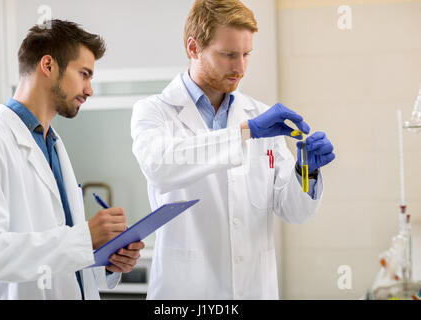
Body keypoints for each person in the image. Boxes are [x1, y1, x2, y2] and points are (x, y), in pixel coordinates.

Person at [131, 0, 335, 299]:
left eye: (246, 54)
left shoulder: (259, 114)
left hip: (253, 289)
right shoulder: (155, 111)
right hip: (185, 295)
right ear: (193, 48)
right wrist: (245, 133)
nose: (240, 67)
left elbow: (293, 211)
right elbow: (160, 167)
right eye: (228, 55)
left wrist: (307, 171)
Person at [0, 19, 144, 300]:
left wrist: (107, 259)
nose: (89, 90)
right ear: (48, 65)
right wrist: (84, 238)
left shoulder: (52, 144)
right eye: (84, 74)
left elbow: (62, 253)